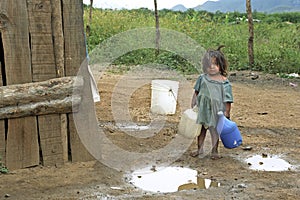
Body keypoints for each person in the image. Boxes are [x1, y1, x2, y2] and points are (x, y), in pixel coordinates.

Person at [190, 45, 233, 159]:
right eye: (209, 65)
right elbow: (197, 92)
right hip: (203, 110)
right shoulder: (202, 78)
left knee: (214, 131)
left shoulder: (224, 82)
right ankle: (199, 149)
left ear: (221, 65)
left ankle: (214, 150)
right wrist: (193, 103)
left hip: (216, 111)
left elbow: (227, 99)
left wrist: (227, 113)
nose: (212, 67)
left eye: (215, 64)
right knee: (201, 130)